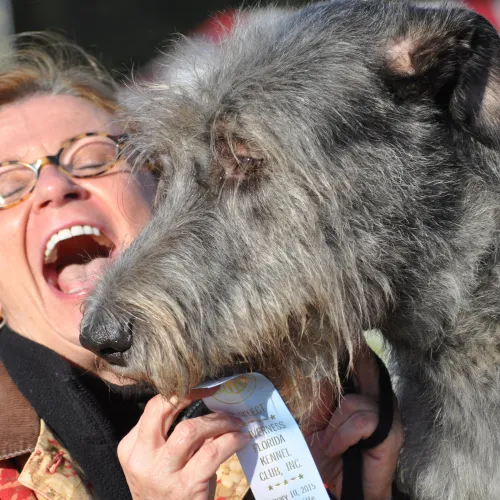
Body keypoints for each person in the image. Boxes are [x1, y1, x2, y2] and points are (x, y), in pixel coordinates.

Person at [0, 32, 404, 500]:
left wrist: (369, 493)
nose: (53, 186)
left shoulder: (323, 385)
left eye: (92, 158)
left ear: (164, 192)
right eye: (7, 187)